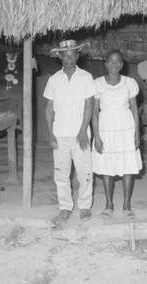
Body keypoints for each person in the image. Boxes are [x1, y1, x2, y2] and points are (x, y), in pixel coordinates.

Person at [44, 40, 95, 222]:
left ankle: (84, 206)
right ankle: (65, 207)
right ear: (60, 57)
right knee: (61, 173)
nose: (69, 59)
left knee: (85, 172)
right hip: (60, 134)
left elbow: (90, 105)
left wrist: (82, 131)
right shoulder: (53, 80)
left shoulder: (86, 77)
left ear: (78, 56)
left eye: (73, 55)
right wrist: (51, 134)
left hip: (81, 135)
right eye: (66, 56)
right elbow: (48, 109)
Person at [92, 50, 142, 219]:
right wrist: (96, 136)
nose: (114, 64)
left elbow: (134, 108)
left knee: (128, 166)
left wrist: (137, 133)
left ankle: (127, 204)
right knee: (107, 167)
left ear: (122, 65)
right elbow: (94, 113)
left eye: (117, 62)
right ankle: (109, 204)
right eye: (110, 61)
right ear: (106, 64)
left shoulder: (130, 83)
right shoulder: (97, 83)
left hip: (126, 127)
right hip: (106, 127)